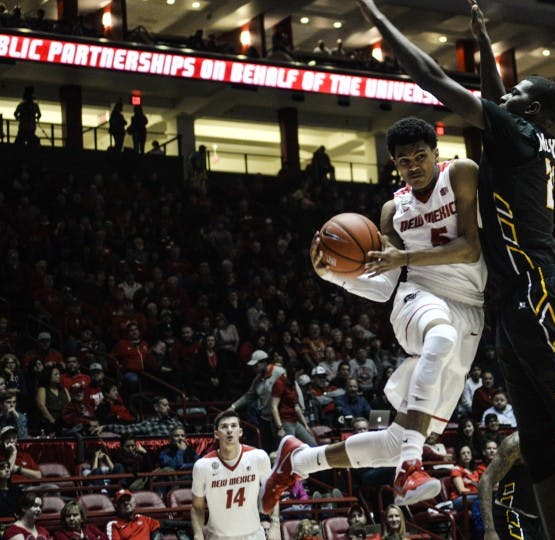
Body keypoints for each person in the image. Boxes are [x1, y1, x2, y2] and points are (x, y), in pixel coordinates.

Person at [341, 0, 555, 540]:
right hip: (512, 306)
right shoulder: (527, 136)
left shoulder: (520, 134)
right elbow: (499, 101)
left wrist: (378, 20)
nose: (503, 99)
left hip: (540, 294)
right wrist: (486, 44)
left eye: (516, 96)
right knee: (541, 452)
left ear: (535, 111)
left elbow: (433, 77)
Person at [262, 115, 486, 510]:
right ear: (394, 165)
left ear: (436, 154)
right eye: (404, 161)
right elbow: (385, 286)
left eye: (420, 156)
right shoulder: (392, 209)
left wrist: (404, 254)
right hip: (419, 298)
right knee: (440, 336)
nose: (413, 166)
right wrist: (332, 275)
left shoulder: (462, 174)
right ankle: (410, 469)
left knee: (394, 441)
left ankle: (297, 459)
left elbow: (471, 248)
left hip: (469, 309)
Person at [478, 432, 555, 540]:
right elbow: (485, 481)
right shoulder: (516, 444)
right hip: (510, 512)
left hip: (539, 517)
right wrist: (489, 530)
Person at [190, 410, 277, 540]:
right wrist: (198, 534)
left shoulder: (258, 457)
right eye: (224, 427)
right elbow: (197, 507)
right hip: (218, 536)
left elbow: (272, 493)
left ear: (240, 432)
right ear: (216, 434)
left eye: (233, 426)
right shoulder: (203, 466)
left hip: (253, 535)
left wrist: (275, 525)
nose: (229, 430)